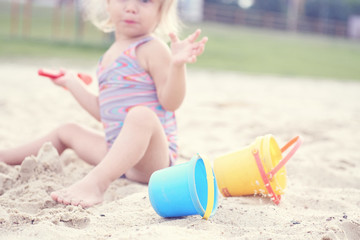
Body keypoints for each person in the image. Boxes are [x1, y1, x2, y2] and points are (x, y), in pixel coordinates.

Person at [0, 0, 208, 207]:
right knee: (68, 130)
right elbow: (105, 113)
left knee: (140, 115)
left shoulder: (151, 48)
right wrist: (72, 83)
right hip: (116, 153)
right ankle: (5, 158)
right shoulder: (108, 57)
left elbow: (170, 102)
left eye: (145, 1)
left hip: (152, 160)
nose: (131, 7)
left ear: (161, 11)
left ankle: (96, 185)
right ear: (108, 4)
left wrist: (177, 66)